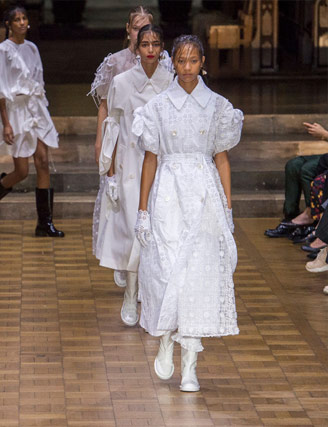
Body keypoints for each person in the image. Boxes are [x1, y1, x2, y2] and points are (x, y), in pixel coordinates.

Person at [134, 35, 242, 392]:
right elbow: (150, 159)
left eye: (193, 61)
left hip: (204, 195)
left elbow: (221, 158)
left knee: (199, 277)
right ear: (173, 63)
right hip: (168, 194)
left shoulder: (218, 107)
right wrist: (143, 210)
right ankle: (167, 337)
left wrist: (227, 207)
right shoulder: (159, 107)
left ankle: (191, 365)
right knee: (166, 270)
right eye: (181, 60)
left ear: (203, 62)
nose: (187, 67)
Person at [95, 24, 172, 327]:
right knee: (132, 231)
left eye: (155, 44)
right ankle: (130, 291)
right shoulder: (123, 82)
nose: (150, 49)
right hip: (130, 166)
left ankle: (152, 295)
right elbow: (112, 128)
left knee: (160, 232)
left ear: (162, 47)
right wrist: (110, 174)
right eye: (145, 44)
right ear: (136, 48)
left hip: (163, 167)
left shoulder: (171, 82)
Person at [89, 6, 172, 260]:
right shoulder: (116, 62)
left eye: (146, 28)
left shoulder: (163, 62)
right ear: (128, 30)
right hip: (124, 140)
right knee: (121, 206)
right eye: (136, 28)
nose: (140, 34)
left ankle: (145, 263)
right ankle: (123, 258)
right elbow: (106, 105)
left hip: (152, 144)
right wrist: (100, 140)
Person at [0, 5, 63, 237]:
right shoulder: (2, 51)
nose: (22, 22)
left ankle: (44, 223)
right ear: (9, 24)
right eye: (17, 19)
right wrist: (6, 122)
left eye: (25, 18)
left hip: (34, 107)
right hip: (15, 110)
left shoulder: (32, 48)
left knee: (43, 161)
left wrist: (43, 110)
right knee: (22, 170)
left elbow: (38, 80)